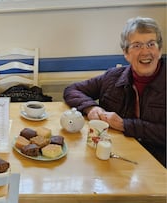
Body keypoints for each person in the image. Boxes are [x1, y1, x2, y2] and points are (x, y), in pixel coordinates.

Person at [63, 17, 166, 167]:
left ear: (160, 50)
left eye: (151, 44)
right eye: (137, 45)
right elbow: (72, 90)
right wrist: (91, 107)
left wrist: (125, 125)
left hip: (158, 166)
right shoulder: (113, 77)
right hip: (112, 158)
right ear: (126, 53)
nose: (145, 52)